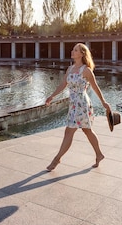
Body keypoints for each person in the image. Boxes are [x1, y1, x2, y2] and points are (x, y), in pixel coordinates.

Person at [45, 43, 111, 171]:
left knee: (70, 131)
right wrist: (52, 96)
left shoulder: (86, 70)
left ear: (82, 54)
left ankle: (57, 159)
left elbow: (96, 87)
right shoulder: (70, 69)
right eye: (73, 50)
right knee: (86, 130)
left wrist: (103, 102)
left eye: (76, 50)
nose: (72, 51)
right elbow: (63, 84)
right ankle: (99, 154)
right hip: (73, 104)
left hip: (81, 104)